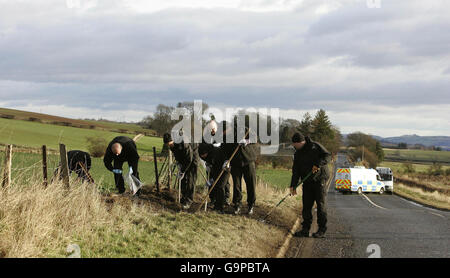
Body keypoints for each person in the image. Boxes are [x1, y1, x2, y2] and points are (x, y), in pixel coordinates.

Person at [289, 132, 331, 238]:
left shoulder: (315, 146)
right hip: (307, 181)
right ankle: (305, 229)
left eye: (295, 144)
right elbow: (296, 170)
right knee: (306, 205)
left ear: (301, 142)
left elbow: (327, 156)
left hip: (320, 179)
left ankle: (321, 229)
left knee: (320, 205)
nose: (294, 146)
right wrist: (293, 185)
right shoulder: (297, 153)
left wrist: (318, 164)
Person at [223, 123, 258, 215]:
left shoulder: (243, 129)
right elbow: (224, 150)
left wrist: (247, 141)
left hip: (248, 160)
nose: (225, 133)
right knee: (237, 185)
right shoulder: (225, 137)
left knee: (251, 183)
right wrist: (226, 161)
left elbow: (255, 138)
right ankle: (237, 205)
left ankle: (251, 205)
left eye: (226, 131)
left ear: (229, 128)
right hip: (235, 163)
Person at [163, 133, 198, 210]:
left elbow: (189, 158)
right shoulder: (172, 146)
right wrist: (179, 163)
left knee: (190, 180)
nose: (169, 146)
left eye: (170, 144)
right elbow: (177, 154)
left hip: (192, 159)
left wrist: (183, 170)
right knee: (182, 179)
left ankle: (189, 200)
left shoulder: (184, 143)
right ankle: (184, 196)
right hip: (184, 159)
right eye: (168, 145)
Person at [198, 143, 230, 213]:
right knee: (215, 186)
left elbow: (223, 159)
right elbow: (213, 167)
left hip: (224, 169)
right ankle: (216, 205)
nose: (203, 156)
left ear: (207, 151)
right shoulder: (204, 156)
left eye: (203, 155)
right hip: (216, 170)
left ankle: (220, 207)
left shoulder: (216, 152)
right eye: (201, 156)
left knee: (220, 186)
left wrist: (226, 162)